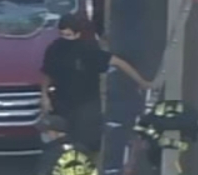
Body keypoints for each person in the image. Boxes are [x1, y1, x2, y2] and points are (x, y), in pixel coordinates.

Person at [41, 13, 150, 152]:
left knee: (87, 142)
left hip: (87, 104)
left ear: (78, 34)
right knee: (62, 141)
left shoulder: (88, 51)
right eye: (62, 34)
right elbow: (47, 73)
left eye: (68, 35)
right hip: (62, 103)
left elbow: (119, 62)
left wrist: (142, 82)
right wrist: (44, 96)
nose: (65, 39)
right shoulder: (54, 49)